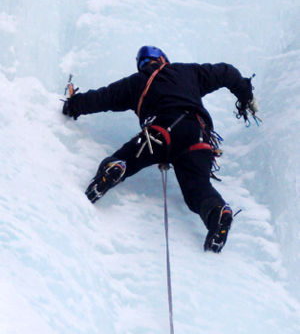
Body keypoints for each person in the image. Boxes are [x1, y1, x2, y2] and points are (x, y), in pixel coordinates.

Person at [62, 46, 258, 253]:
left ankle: (116, 167)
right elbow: (227, 72)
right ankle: (217, 212)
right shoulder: (189, 72)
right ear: (163, 58)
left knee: (128, 157)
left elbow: (100, 98)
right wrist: (246, 96)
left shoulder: (135, 83)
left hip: (160, 131)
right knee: (197, 188)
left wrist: (72, 105)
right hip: (198, 135)